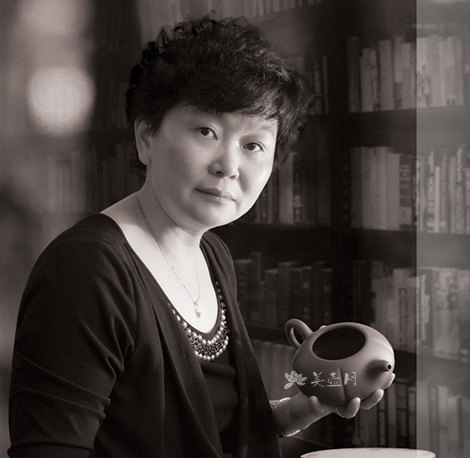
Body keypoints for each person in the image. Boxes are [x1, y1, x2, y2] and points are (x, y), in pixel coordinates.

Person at [8, 15, 395, 458]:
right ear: (146, 137)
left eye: (253, 145)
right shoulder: (88, 268)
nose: (228, 166)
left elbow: (202, 432)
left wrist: (296, 412)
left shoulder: (211, 254)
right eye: (206, 131)